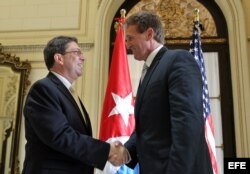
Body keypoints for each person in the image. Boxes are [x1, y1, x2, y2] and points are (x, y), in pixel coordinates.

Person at [122, 11, 213, 174]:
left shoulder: (178, 60)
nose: (127, 45)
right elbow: (150, 126)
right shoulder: (149, 70)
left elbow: (187, 123)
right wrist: (126, 151)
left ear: (149, 34)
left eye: (130, 38)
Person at [22, 36, 128, 174]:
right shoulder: (43, 89)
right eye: (77, 52)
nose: (83, 57)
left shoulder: (68, 92)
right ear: (59, 58)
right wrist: (107, 150)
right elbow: (60, 135)